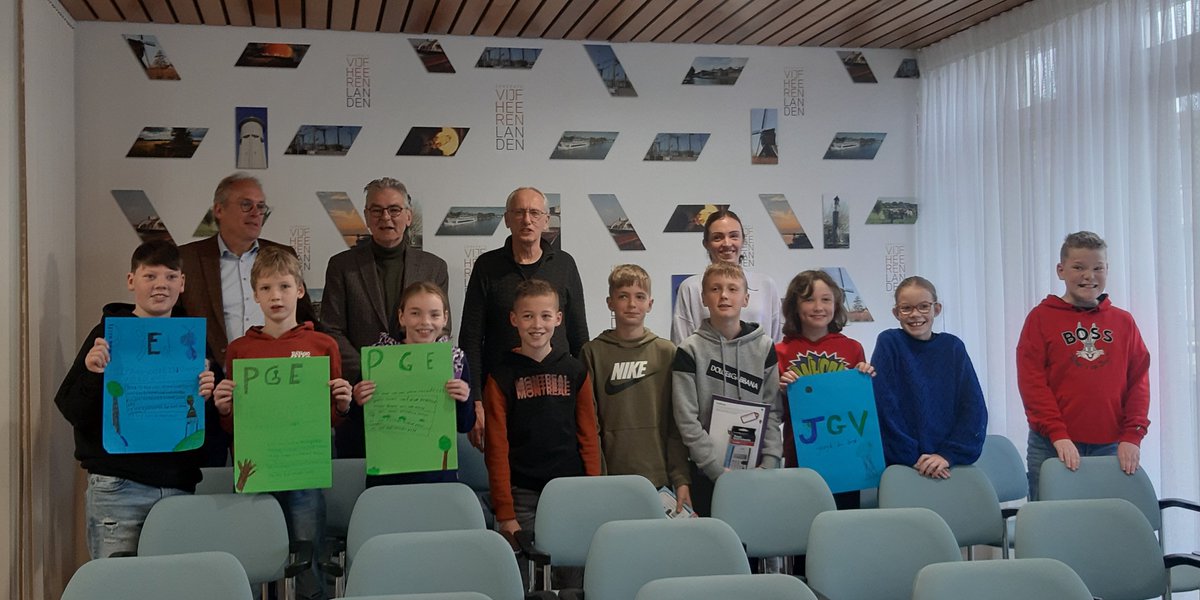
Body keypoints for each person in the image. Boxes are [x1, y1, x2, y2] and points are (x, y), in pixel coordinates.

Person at [54, 240, 217, 558]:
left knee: (174, 586)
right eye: (150, 276)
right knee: (120, 587)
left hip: (179, 486)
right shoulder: (106, 336)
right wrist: (92, 373)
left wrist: (209, 396)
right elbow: (72, 410)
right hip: (119, 488)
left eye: (171, 276)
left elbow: (206, 430)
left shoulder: (192, 342)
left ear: (182, 283)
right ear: (132, 281)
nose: (161, 285)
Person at [212, 246, 351, 600]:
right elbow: (232, 427)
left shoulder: (322, 345)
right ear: (254, 293)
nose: (276, 296)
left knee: (309, 559)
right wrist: (225, 410)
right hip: (256, 470)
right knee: (256, 558)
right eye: (267, 288)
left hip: (305, 470)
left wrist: (343, 406)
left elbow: (331, 420)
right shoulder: (240, 349)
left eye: (285, 287)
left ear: (300, 290)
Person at [179, 173, 314, 466]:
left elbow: (304, 322)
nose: (256, 213)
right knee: (213, 490)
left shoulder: (282, 255)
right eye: (246, 205)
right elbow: (176, 326)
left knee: (273, 483)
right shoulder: (187, 259)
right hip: (210, 394)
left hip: (275, 396)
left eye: (261, 206)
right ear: (219, 209)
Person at [321, 177, 449, 458]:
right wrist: (371, 371)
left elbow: (440, 330)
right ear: (366, 217)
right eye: (376, 210)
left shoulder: (434, 267)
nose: (386, 217)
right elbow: (331, 330)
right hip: (363, 396)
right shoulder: (342, 266)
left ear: (408, 216)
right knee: (363, 489)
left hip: (418, 398)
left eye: (393, 209)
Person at [1017, 231, 1150, 499]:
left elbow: (1139, 382)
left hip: (1112, 447)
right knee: (1052, 526)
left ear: (1107, 270)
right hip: (1052, 444)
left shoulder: (1123, 322)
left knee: (1106, 526)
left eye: (1097, 268)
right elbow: (1033, 384)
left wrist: (1132, 435)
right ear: (1061, 270)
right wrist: (1058, 434)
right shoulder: (1040, 318)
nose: (1089, 276)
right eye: (1078, 267)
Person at [460, 187, 588, 450]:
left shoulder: (564, 265)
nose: (527, 220)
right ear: (507, 219)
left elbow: (579, 336)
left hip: (559, 393)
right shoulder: (487, 266)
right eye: (519, 212)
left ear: (546, 220)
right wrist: (476, 401)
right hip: (502, 394)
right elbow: (471, 338)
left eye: (534, 213)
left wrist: (586, 397)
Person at [482, 279, 601, 540]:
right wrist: (505, 513)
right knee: (525, 573)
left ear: (558, 318)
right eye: (528, 316)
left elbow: (589, 436)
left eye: (545, 316)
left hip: (572, 490)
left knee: (572, 571)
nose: (537, 325)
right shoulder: (501, 377)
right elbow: (496, 449)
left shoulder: (576, 371)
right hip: (521, 495)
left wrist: (593, 490)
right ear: (514, 319)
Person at [672, 262, 784, 516]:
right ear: (703, 298)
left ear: (745, 298)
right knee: (711, 550)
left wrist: (770, 464)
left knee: (754, 549)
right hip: (707, 474)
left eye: (732, 289)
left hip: (757, 472)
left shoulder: (764, 347)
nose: (724, 295)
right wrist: (716, 470)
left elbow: (773, 411)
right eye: (715, 289)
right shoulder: (688, 350)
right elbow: (686, 420)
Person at [581, 265, 691, 514]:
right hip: (611, 479)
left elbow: (677, 424)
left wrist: (681, 478)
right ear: (610, 302)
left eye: (640, 297)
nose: (632, 303)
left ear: (650, 303)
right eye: (623, 296)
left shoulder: (667, 352)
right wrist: (597, 476)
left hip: (659, 477)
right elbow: (590, 424)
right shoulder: (593, 353)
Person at [351, 281, 476, 486]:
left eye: (434, 314)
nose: (424, 322)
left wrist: (464, 398)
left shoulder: (455, 361)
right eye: (415, 313)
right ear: (402, 317)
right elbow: (359, 424)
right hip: (387, 473)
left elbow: (465, 425)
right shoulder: (378, 359)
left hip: (437, 474)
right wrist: (357, 401)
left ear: (445, 318)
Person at [871, 276, 987, 479]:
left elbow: (973, 407)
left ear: (937, 308)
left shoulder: (953, 347)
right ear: (896, 313)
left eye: (924, 306)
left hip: (946, 464)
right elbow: (884, 407)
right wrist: (915, 459)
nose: (915, 314)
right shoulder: (889, 343)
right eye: (906, 308)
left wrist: (947, 455)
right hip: (903, 466)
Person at [776, 269, 874, 509]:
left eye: (826, 299)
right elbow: (775, 411)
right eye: (809, 299)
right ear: (795, 306)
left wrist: (864, 377)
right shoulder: (780, 351)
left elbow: (859, 407)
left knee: (844, 528)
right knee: (802, 528)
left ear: (837, 304)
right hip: (800, 455)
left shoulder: (853, 349)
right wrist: (781, 390)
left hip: (845, 458)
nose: (818, 307)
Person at [671, 209, 782, 344]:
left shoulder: (765, 284)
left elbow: (776, 344)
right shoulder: (690, 287)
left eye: (734, 236)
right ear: (706, 244)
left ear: (743, 240)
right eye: (717, 237)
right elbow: (682, 346)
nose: (727, 243)